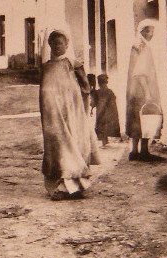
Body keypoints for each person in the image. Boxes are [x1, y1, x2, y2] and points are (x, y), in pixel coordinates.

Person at [40, 30, 98, 200]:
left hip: (72, 113)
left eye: (60, 43)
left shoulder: (73, 64)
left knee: (73, 145)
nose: (57, 47)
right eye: (54, 43)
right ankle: (58, 186)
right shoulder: (47, 67)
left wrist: (82, 107)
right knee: (57, 148)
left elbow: (85, 87)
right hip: (53, 116)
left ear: (67, 45)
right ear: (50, 45)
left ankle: (72, 187)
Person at [126, 19, 163, 161]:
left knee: (137, 118)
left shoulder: (137, 45)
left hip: (134, 89)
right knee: (144, 117)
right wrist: (148, 93)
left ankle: (135, 151)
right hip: (142, 88)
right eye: (148, 31)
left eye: (152, 31)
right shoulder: (141, 47)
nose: (150, 34)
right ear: (141, 32)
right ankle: (143, 151)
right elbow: (140, 73)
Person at [94, 73, 122, 147]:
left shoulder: (98, 92)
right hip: (107, 112)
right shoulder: (109, 91)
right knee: (104, 126)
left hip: (102, 112)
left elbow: (94, 102)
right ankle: (105, 141)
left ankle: (104, 141)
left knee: (101, 126)